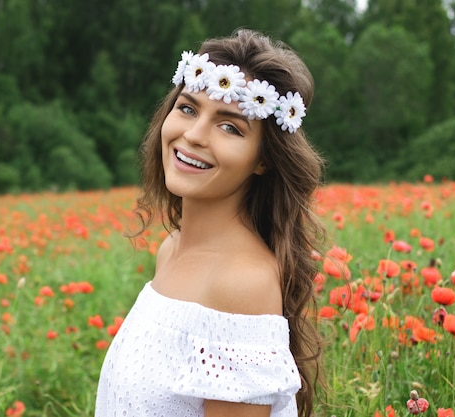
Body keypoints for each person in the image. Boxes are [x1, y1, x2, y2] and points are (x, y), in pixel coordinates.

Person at [95, 29, 325, 417]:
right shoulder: (171, 250)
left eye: (230, 126)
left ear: (263, 160)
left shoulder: (242, 284)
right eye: (187, 108)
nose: (193, 135)